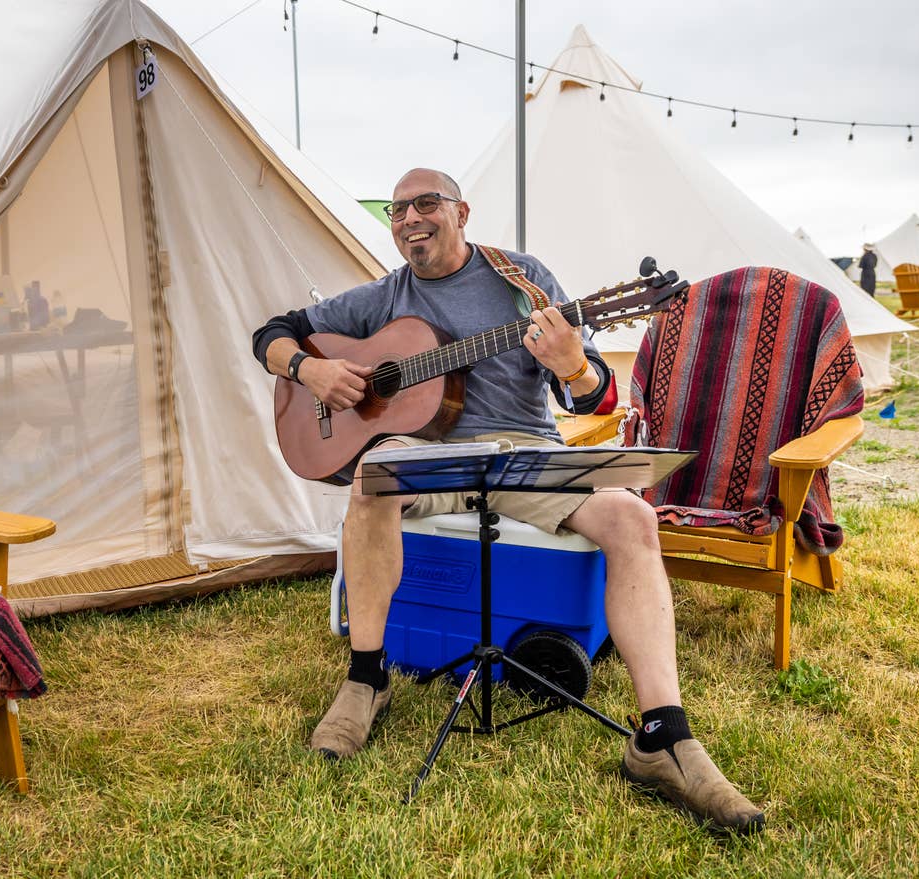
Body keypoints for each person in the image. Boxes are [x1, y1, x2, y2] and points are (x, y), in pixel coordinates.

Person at [251, 168, 765, 834]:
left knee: (631, 514)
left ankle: (663, 738)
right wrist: (310, 368)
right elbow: (273, 332)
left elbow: (594, 399)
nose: (410, 218)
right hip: (427, 459)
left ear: (461, 212)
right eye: (398, 209)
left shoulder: (520, 279)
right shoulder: (380, 299)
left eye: (425, 204)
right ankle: (365, 675)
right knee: (368, 480)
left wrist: (572, 364)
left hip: (524, 453)